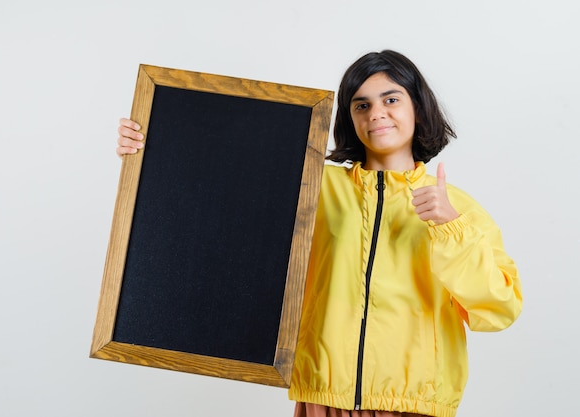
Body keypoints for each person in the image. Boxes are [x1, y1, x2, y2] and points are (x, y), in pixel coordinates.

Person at [115, 50, 522, 417]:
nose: (376, 113)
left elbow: (499, 307)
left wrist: (450, 228)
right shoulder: (312, 185)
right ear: (350, 118)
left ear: (418, 108)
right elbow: (222, 186)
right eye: (361, 105)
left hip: (413, 405)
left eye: (391, 99)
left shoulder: (456, 206)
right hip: (321, 399)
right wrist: (154, 140)